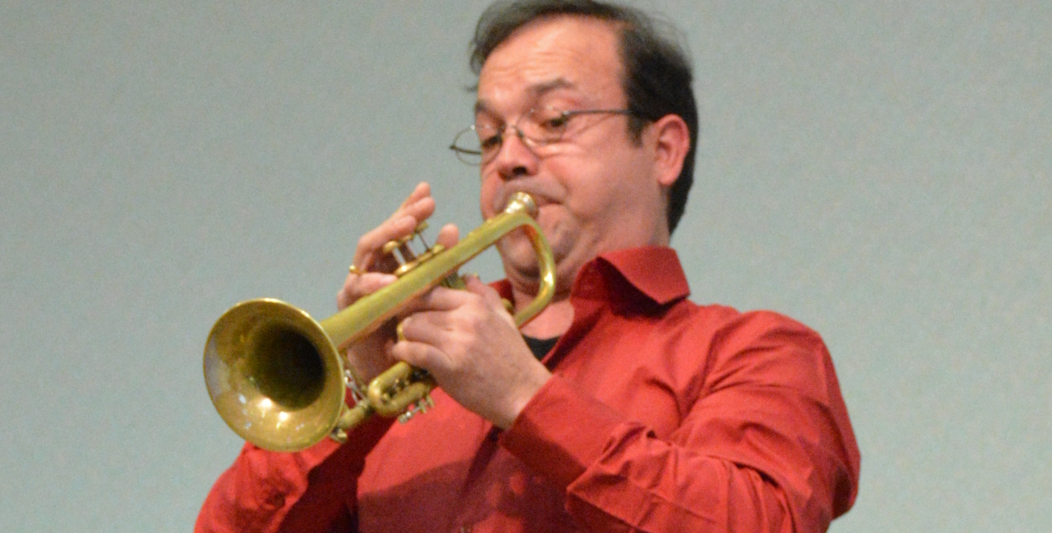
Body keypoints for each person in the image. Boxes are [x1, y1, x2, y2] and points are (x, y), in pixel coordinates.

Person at [196, 1, 860, 531]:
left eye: (553, 120)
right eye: (490, 136)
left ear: (663, 150)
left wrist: (524, 398)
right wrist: (356, 397)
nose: (509, 157)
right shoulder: (411, 387)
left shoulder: (758, 353)